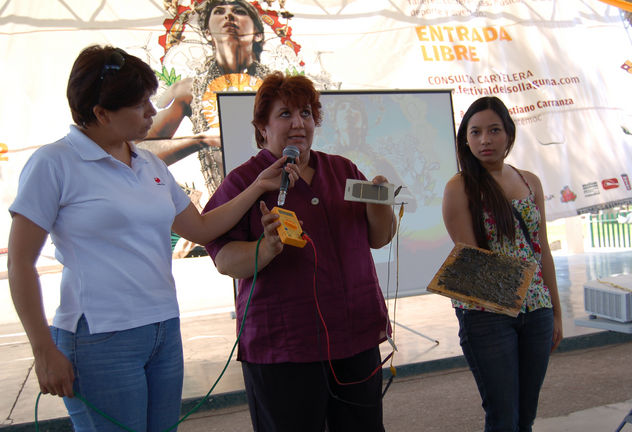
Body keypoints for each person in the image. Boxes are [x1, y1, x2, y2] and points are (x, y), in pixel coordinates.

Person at [7, 45, 297, 432]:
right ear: (101, 113)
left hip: (162, 330)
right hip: (99, 337)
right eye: (141, 104)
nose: (152, 113)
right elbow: (20, 262)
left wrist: (258, 186)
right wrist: (43, 350)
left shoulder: (149, 163)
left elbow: (201, 228)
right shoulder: (54, 163)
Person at [203, 71, 396, 431]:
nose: (298, 123)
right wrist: (266, 249)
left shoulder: (342, 170)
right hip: (284, 346)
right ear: (262, 127)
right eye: (284, 114)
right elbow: (224, 258)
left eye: (306, 113)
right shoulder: (246, 181)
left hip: (354, 338)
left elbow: (379, 237)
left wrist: (381, 202)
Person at [441, 96, 563, 432]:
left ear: (508, 133)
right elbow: (474, 262)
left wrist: (556, 310)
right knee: (503, 416)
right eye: (475, 132)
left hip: (537, 310)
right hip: (486, 315)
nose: (485, 140)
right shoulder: (459, 187)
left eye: (494, 130)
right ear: (465, 138)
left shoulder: (529, 181)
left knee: (526, 415)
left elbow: (542, 251)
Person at [144, 0, 270, 193]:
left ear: (258, 33)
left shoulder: (280, 87)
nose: (229, 16)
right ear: (207, 33)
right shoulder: (188, 89)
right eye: (219, 11)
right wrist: (199, 140)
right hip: (222, 204)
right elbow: (140, 151)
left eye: (238, 11)